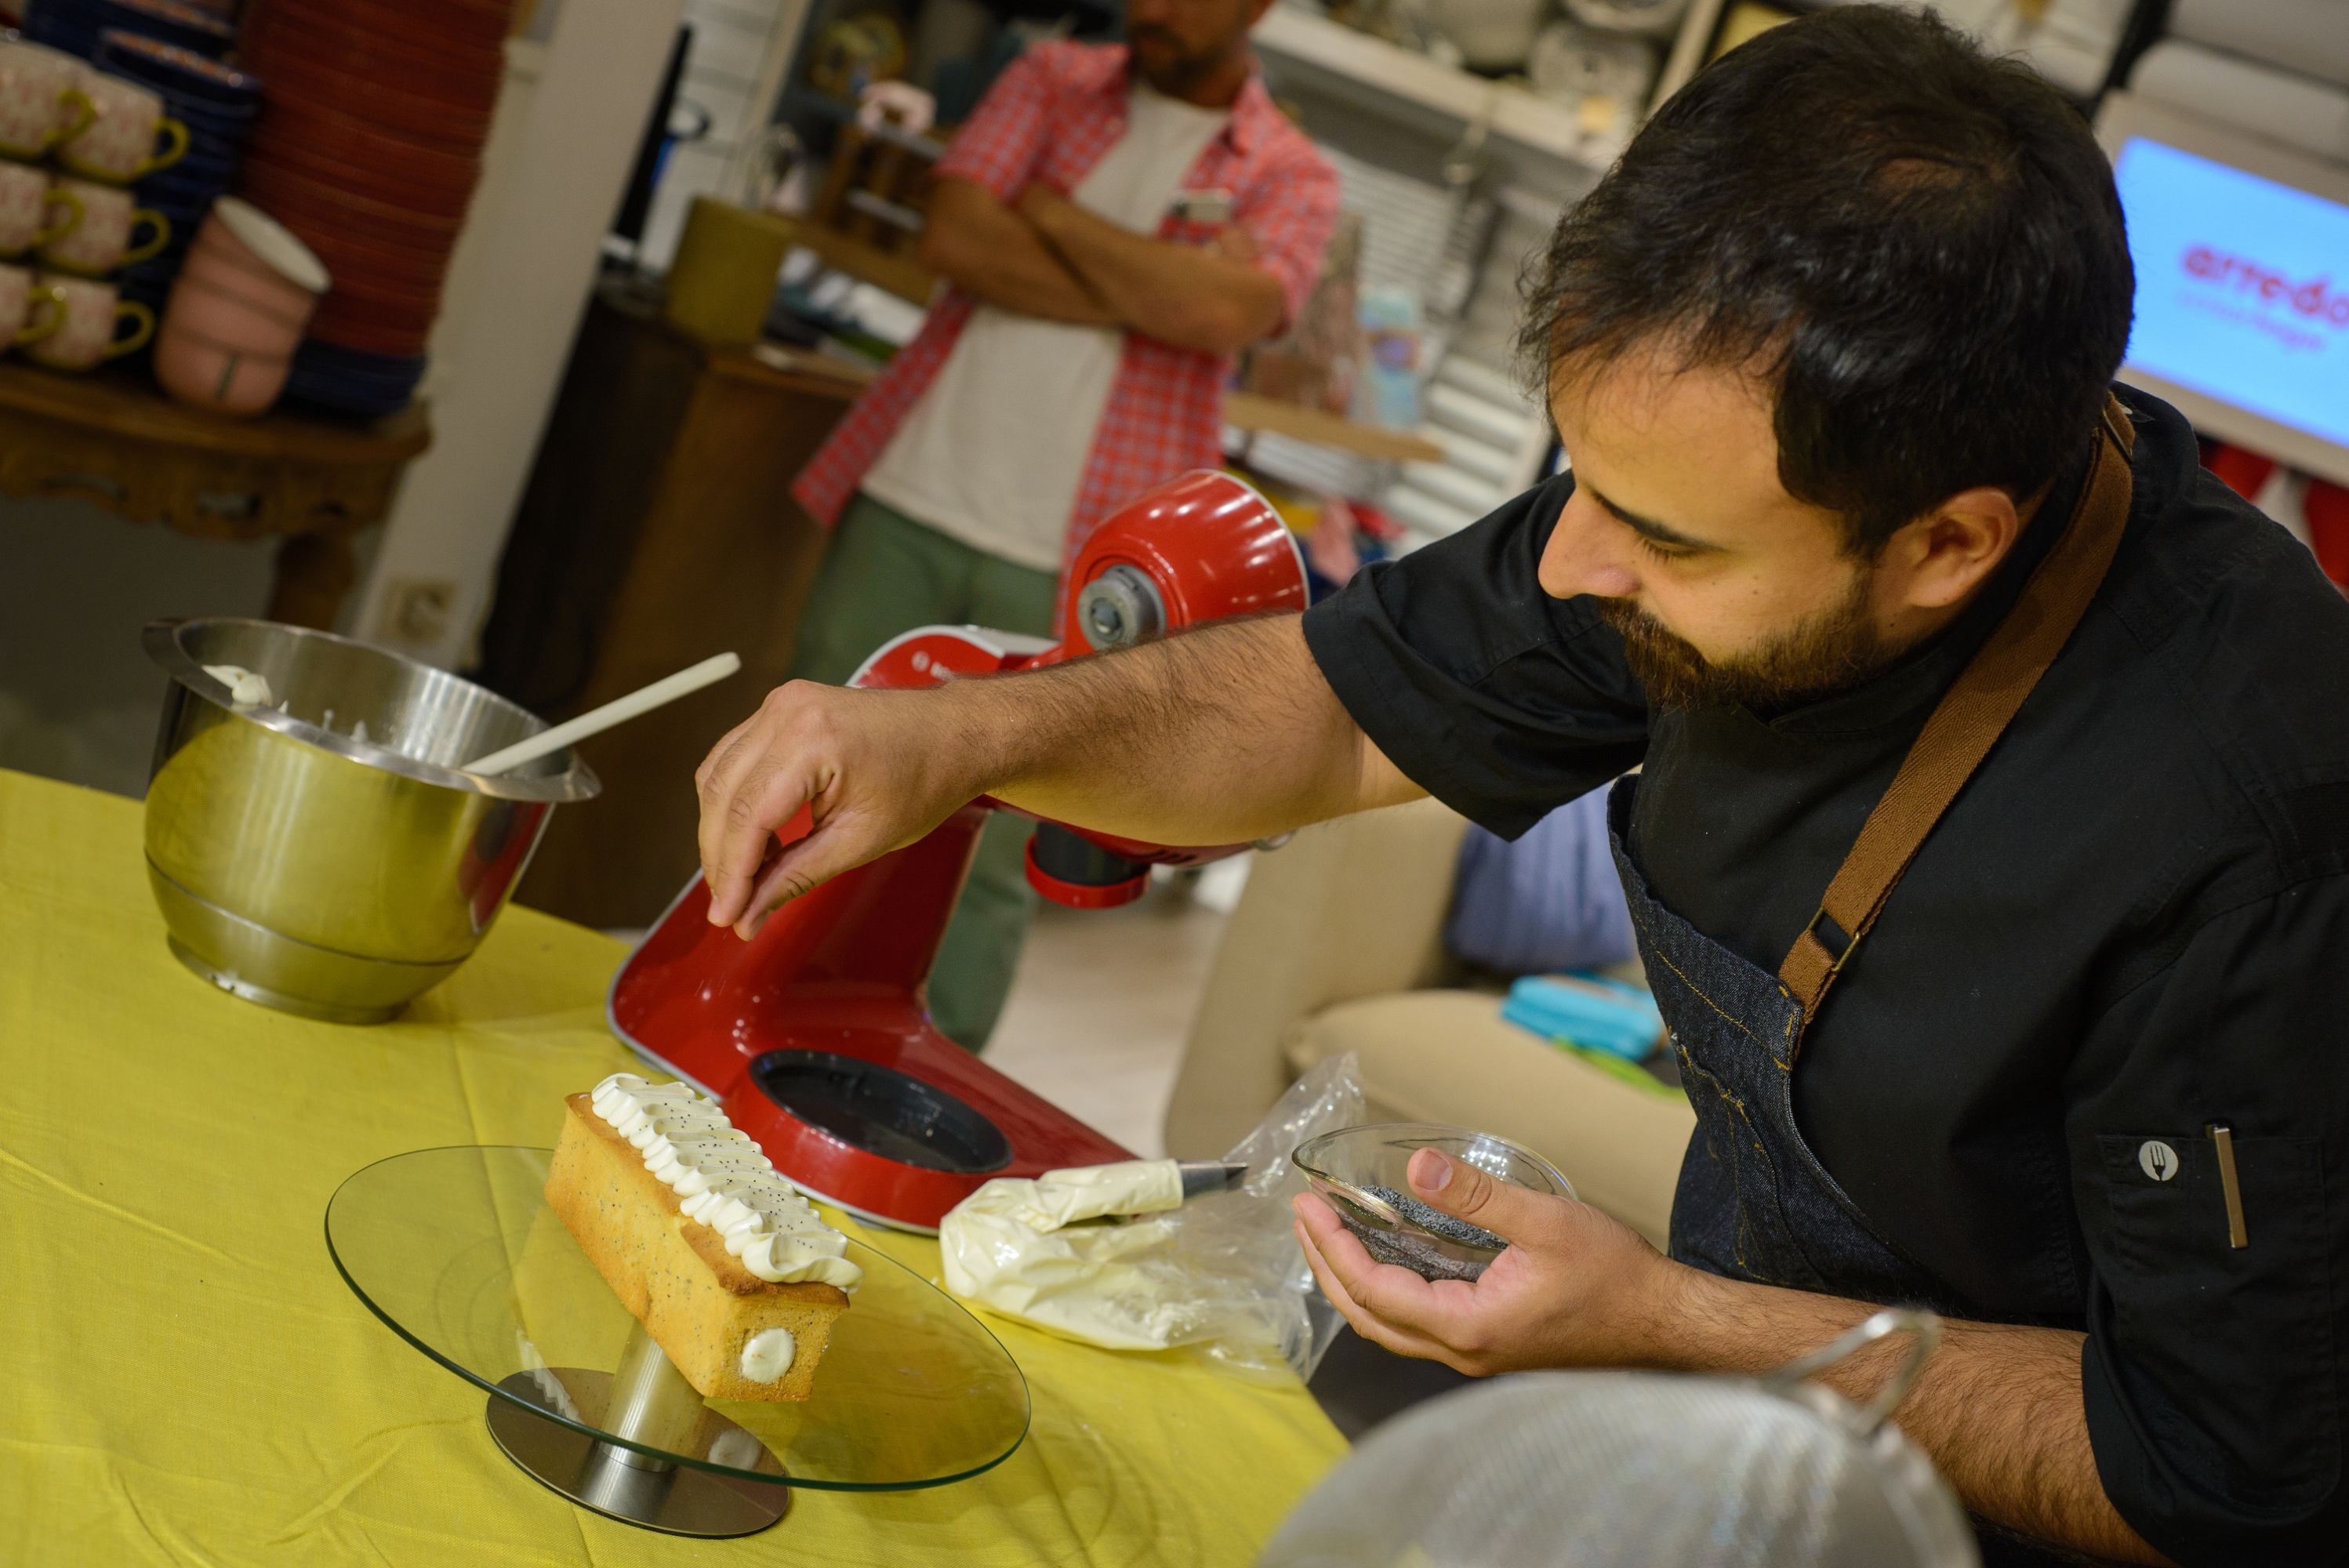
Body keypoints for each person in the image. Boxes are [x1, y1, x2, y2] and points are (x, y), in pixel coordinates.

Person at [695, 9, 2349, 1564]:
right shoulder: (1691, 490)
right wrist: (962, 740)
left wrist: (1666, 1317)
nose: (1569, 565)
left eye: (1665, 542)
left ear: (1947, 546)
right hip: (1758, 1453)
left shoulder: (2249, 824)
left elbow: (2213, 1467)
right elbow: (1342, 708)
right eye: (1580, 479)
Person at [784, 0, 1338, 1050]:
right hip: (915, 483)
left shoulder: (1289, 171)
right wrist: (1154, 286)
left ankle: (917, 1074)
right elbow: (956, 234)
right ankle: (741, 1006)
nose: (1153, 9)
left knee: (993, 850)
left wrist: (1052, 213)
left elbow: (1223, 316)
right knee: (807, 769)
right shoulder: (1044, 77)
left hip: (1096, 557)